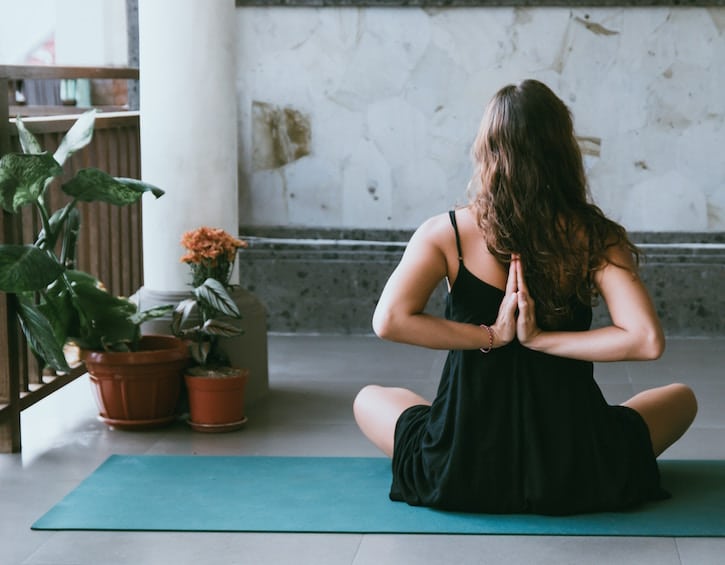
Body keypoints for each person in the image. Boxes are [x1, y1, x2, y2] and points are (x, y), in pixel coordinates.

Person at [353, 79, 698, 515]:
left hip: (461, 466)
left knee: (369, 398)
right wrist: (541, 339)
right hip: (578, 467)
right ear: (562, 152)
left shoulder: (446, 233)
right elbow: (646, 340)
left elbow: (389, 321)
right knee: (682, 397)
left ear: (486, 149)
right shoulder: (595, 237)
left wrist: (492, 336)